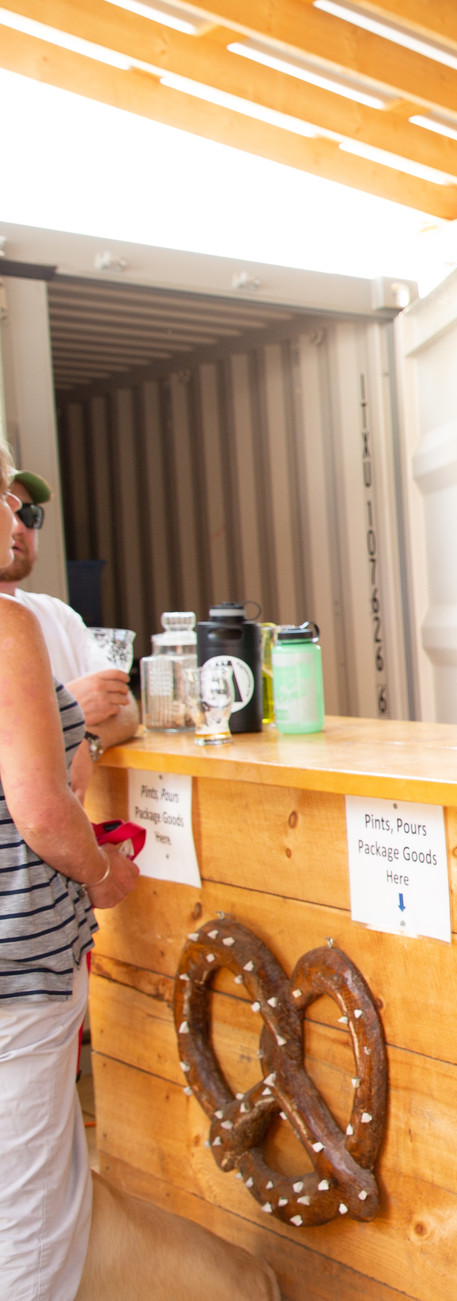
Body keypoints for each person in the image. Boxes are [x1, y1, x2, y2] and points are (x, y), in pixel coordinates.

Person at [0, 441, 139, 1301]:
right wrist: (101, 873)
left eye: (21, 505)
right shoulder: (8, 626)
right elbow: (44, 810)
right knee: (31, 1216)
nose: (17, 518)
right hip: (17, 963)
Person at [2, 472, 138, 765]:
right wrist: (63, 710)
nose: (18, 525)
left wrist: (87, 743)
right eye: (4, 503)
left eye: (29, 514)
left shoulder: (56, 613)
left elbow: (124, 705)